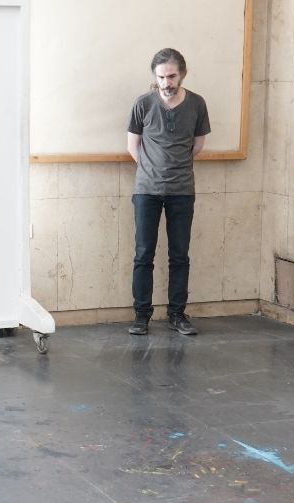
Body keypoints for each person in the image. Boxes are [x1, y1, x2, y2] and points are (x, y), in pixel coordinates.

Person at [126, 48, 211, 336]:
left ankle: (177, 314)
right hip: (146, 190)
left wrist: (175, 168)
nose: (166, 83)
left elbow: (198, 145)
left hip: (182, 190)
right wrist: (152, 170)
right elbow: (133, 146)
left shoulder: (197, 104)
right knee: (143, 254)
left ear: (182, 74)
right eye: (161, 77)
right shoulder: (143, 103)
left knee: (179, 255)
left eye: (172, 76)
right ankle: (141, 316)